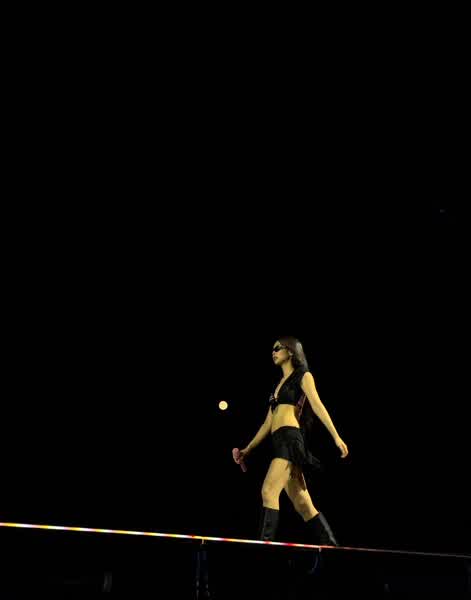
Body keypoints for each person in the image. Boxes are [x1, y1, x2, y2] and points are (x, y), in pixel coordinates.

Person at [237, 336, 348, 545]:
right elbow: (267, 423)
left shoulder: (303, 375)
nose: (273, 352)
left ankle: (263, 551)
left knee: (269, 490)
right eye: (272, 349)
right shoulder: (277, 386)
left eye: (277, 348)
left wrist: (336, 436)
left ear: (290, 351)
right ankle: (332, 548)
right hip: (279, 441)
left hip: (290, 440)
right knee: (303, 504)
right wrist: (247, 449)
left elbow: (317, 405)